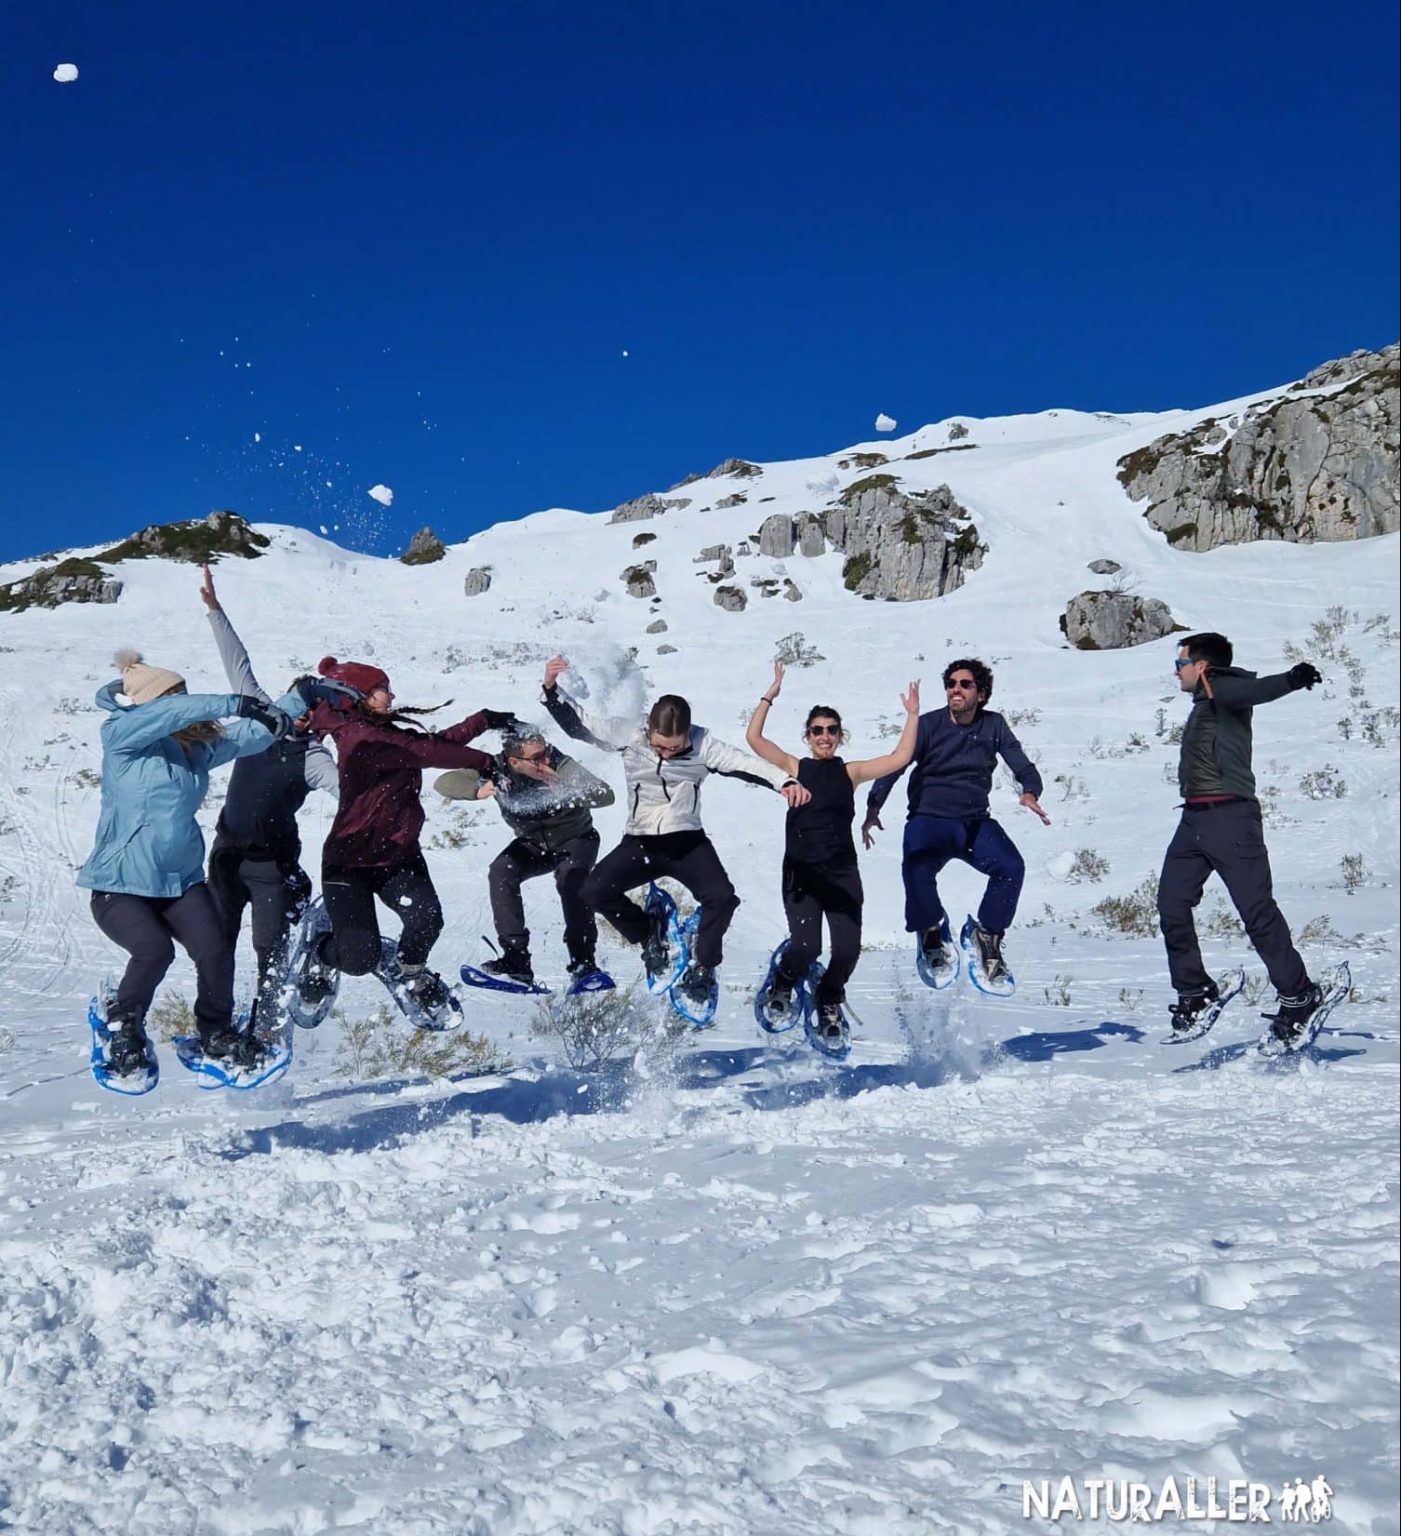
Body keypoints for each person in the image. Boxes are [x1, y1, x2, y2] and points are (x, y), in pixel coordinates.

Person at [77, 646, 302, 1077]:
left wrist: (301, 698)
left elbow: (249, 736)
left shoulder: (192, 749)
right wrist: (232, 702)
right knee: (154, 951)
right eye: (176, 700)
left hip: (179, 883)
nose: (186, 709)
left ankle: (215, 1034)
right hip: (119, 885)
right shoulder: (121, 736)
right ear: (157, 706)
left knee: (215, 949)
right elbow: (165, 717)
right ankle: (122, 1028)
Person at [541, 654, 810, 1011]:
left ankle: (704, 967)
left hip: (686, 844)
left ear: (688, 733)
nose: (666, 753)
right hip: (640, 841)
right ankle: (648, 933)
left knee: (723, 898)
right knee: (592, 891)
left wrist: (785, 781)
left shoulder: (704, 745)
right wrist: (550, 689)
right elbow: (581, 725)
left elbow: (746, 765)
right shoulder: (630, 735)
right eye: (659, 745)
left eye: (674, 747)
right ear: (649, 729)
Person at [297, 656, 517, 1018]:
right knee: (358, 959)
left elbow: (429, 744)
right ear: (359, 695)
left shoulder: (380, 731)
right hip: (349, 862)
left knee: (427, 919)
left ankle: (411, 972)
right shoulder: (361, 736)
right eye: (383, 689)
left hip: (397, 855)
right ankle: (323, 950)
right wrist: (484, 761)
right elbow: (426, 752)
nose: (391, 695)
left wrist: (482, 721)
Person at [1157, 632, 1325, 1044]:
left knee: (1256, 912)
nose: (1175, 672)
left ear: (1201, 667)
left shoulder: (1223, 689)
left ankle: (1298, 995)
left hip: (1230, 818)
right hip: (1194, 820)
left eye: (1180, 664)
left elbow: (1257, 689)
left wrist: (1291, 678)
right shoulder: (1203, 703)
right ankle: (1195, 993)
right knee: (1171, 903)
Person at [745, 662, 920, 1040]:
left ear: (840, 736)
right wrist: (769, 695)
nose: (825, 736)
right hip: (802, 874)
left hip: (841, 874)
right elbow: (755, 740)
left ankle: (829, 997)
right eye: (817, 730)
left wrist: (912, 715)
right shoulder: (795, 766)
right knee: (807, 947)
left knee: (847, 951)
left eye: (832, 730)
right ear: (807, 736)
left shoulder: (851, 773)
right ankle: (783, 979)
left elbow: (900, 757)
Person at [198, 566, 340, 1026]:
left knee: (269, 951)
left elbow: (349, 794)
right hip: (226, 854)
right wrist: (215, 610)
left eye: (309, 715)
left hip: (268, 865)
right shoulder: (261, 715)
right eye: (297, 708)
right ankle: (214, 1029)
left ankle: (264, 1030)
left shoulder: (314, 756)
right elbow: (236, 663)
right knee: (216, 943)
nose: (298, 720)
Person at [863, 657, 1049, 987]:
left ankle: (986, 936)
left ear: (982, 693)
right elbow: (896, 764)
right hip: (928, 820)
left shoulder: (994, 726)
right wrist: (874, 805)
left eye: (965, 684)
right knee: (916, 868)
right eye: (951, 684)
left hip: (973, 823)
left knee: (1011, 867)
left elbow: (1022, 765)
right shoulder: (929, 725)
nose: (955, 689)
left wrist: (1030, 791)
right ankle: (931, 932)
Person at [436, 710, 615, 986]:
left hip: (577, 838)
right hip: (533, 844)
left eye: (545, 752)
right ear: (514, 762)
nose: (545, 760)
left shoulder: (559, 763)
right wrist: (477, 790)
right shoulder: (496, 768)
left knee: (571, 880)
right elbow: (444, 782)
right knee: (501, 871)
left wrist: (567, 786)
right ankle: (516, 960)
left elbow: (605, 795)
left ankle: (584, 964)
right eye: (536, 758)